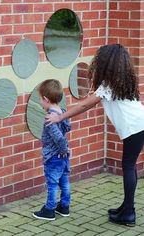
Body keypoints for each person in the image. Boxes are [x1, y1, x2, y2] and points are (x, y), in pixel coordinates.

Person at [46, 44, 144, 226]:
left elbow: (84, 105)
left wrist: (60, 117)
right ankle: (126, 207)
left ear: (107, 63)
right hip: (139, 124)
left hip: (135, 127)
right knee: (129, 166)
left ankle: (129, 214)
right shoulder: (122, 82)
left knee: (128, 166)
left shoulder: (109, 86)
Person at [33, 79, 71, 221]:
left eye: (40, 100)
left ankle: (49, 210)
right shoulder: (62, 112)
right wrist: (65, 151)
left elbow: (59, 138)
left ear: (46, 99)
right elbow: (67, 128)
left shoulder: (50, 119)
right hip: (64, 156)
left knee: (52, 184)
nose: (41, 103)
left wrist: (62, 149)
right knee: (64, 181)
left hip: (54, 157)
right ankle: (64, 207)